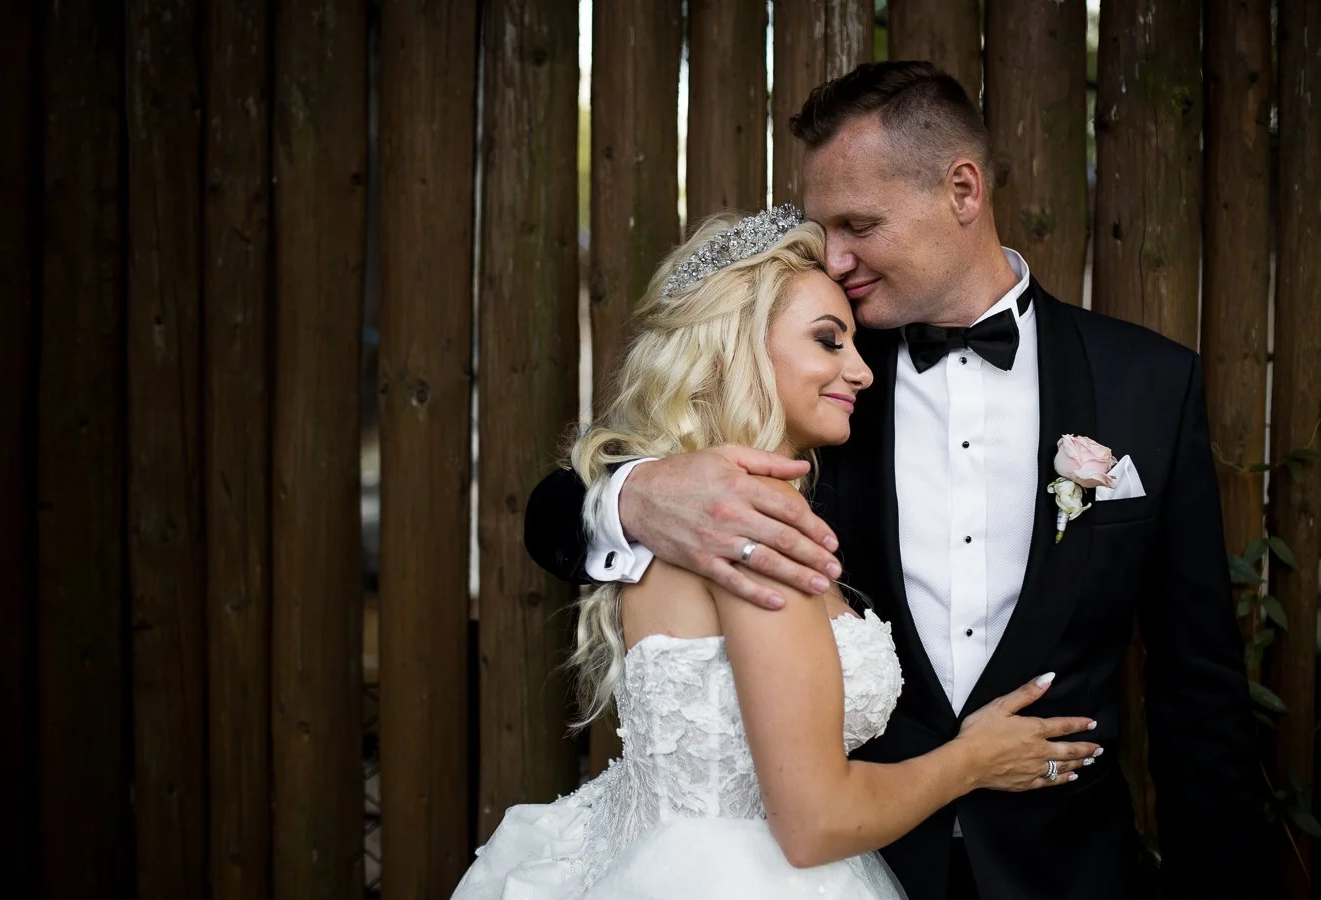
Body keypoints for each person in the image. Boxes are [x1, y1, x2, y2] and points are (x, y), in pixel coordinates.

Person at [524, 62, 1264, 899]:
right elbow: (551, 515)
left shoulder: (1148, 383)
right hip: (852, 863)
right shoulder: (812, 375)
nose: (834, 258)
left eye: (859, 224)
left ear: (961, 190)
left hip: (1065, 868)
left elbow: (1197, 689)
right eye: (823, 227)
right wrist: (639, 495)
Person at [454, 209, 1102, 900]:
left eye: (852, 342)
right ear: (735, 348)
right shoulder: (743, 522)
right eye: (828, 341)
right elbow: (816, 822)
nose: (862, 371)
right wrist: (971, 760)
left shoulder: (704, 510)